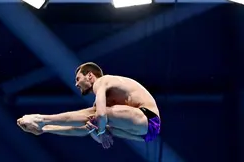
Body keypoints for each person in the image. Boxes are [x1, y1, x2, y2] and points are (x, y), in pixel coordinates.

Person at [17, 62, 161, 148]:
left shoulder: (102, 81)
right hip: (145, 132)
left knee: (94, 115)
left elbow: (101, 116)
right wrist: (49, 130)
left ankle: (40, 119)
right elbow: (85, 130)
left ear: (90, 76)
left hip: (147, 117)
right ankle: (45, 127)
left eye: (78, 78)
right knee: (90, 122)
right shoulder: (106, 102)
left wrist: (101, 132)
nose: (76, 83)